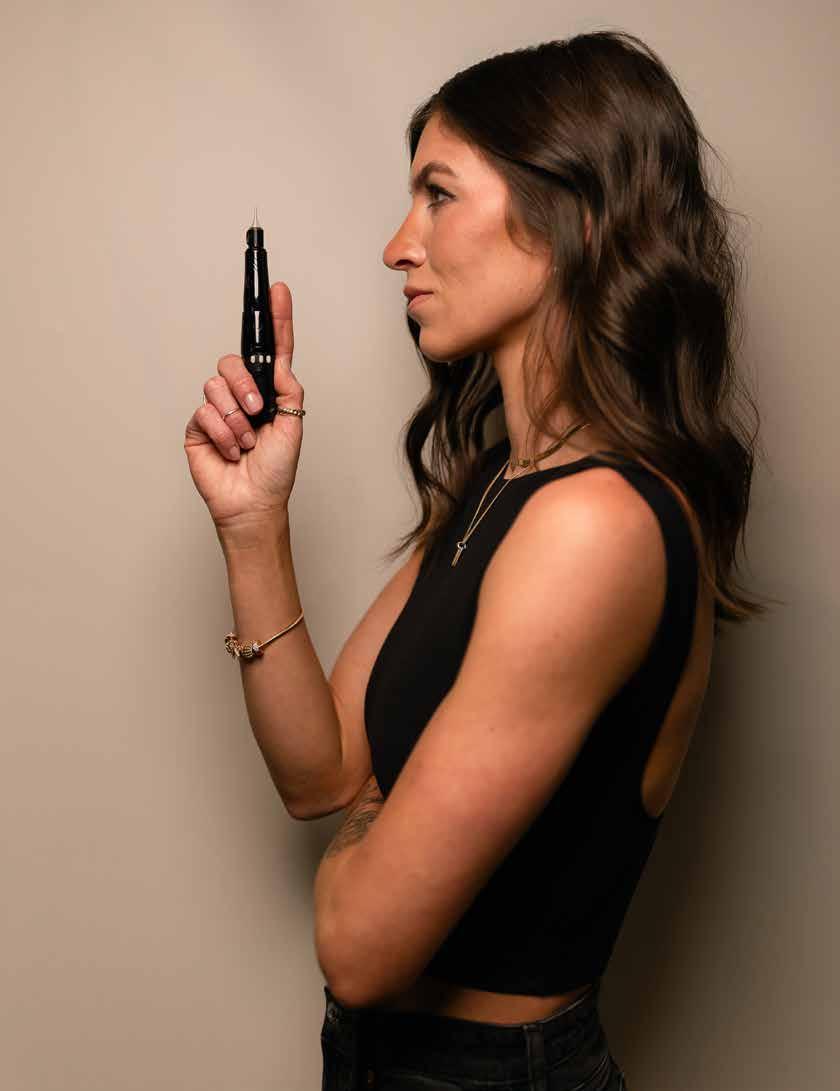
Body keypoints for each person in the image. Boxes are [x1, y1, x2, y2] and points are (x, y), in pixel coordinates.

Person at [184, 29, 769, 1091]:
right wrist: (253, 523)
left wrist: (374, 820)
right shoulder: (499, 480)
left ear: (574, 219)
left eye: (439, 195)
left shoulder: (595, 525)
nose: (396, 246)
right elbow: (321, 771)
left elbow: (359, 948)